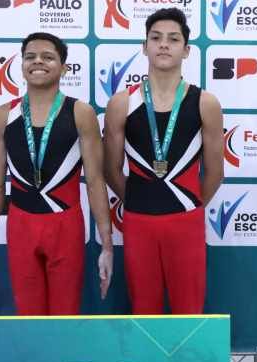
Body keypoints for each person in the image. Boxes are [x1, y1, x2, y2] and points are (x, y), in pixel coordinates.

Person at [0, 32, 113, 314]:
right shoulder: (3, 116)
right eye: (30, 57)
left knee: (65, 315)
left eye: (48, 57)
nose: (38, 61)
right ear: (22, 65)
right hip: (21, 227)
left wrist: (107, 246)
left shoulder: (80, 113)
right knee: (28, 317)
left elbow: (95, 182)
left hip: (65, 227)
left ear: (64, 68)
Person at [104, 7, 224, 314]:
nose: (164, 45)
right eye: (156, 38)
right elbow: (111, 169)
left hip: (186, 220)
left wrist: (189, 204)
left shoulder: (205, 103)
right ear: (145, 47)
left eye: (173, 39)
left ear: (186, 50)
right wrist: (140, 198)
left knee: (189, 309)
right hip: (138, 219)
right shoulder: (121, 103)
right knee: (144, 308)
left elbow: (215, 172)